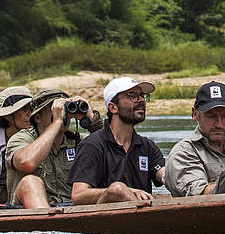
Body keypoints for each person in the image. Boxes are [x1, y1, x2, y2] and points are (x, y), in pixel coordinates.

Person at [69, 76, 164, 205]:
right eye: (132, 96)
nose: (141, 100)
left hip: (142, 219)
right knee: (117, 189)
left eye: (142, 95)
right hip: (105, 220)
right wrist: (118, 192)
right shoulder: (92, 145)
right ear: (113, 107)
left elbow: (165, 175)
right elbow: (78, 195)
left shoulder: (147, 146)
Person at [6, 89, 87, 208]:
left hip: (72, 210)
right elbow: (26, 163)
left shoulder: (78, 141)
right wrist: (57, 121)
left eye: (65, 110)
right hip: (30, 210)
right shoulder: (22, 138)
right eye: (54, 111)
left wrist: (91, 120)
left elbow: (115, 151)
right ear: (37, 117)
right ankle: (49, 225)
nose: (63, 114)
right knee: (30, 182)